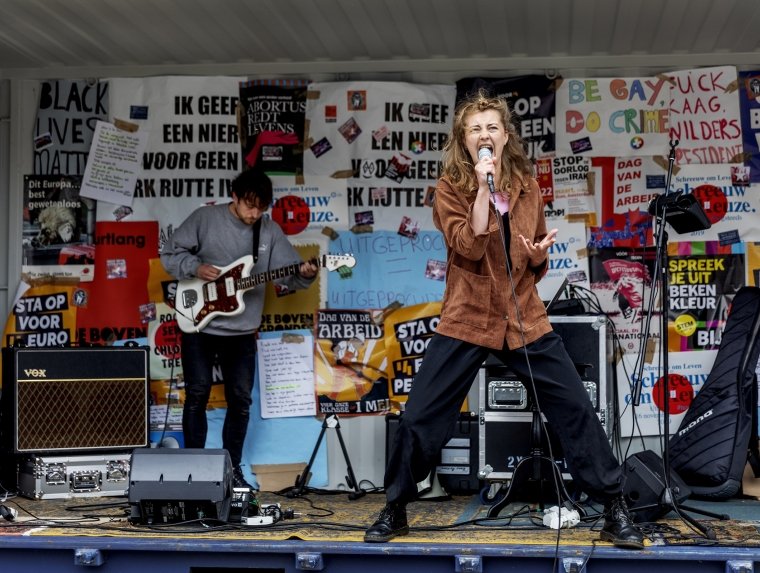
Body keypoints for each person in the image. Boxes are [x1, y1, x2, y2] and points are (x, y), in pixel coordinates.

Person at [364, 90, 644, 549]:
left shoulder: (528, 185)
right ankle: (395, 508)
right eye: (475, 129)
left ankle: (614, 508)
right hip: (467, 316)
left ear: (506, 134)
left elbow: (533, 252)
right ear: (464, 139)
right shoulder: (450, 187)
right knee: (419, 417)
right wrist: (481, 185)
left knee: (575, 408)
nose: (484, 134)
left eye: (492, 127)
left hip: (523, 317)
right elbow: (470, 245)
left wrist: (536, 256)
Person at [161, 167, 318, 490]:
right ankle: (192, 471)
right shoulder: (205, 219)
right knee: (196, 395)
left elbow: (289, 276)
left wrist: (306, 273)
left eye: (261, 207)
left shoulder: (269, 231)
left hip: (243, 331)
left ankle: (232, 472)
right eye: (249, 205)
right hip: (198, 323)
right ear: (234, 196)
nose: (254, 214)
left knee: (240, 400)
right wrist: (196, 267)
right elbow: (170, 254)